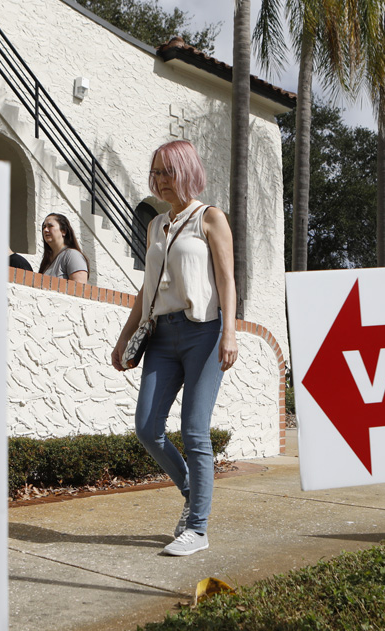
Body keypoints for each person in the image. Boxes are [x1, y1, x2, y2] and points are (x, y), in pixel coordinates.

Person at [110, 140, 237, 557]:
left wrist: (230, 332)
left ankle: (197, 528)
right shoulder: (154, 225)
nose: (161, 181)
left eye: (168, 171)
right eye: (157, 173)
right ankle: (192, 491)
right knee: (147, 427)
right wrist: (125, 337)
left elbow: (227, 280)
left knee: (195, 431)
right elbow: (147, 288)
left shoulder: (210, 218)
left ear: (187, 171)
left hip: (203, 332)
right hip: (161, 336)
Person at [38, 213, 89, 283]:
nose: (45, 230)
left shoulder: (72, 255)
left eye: (50, 226)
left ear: (63, 231)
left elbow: (80, 288)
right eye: (44, 227)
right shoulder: (47, 261)